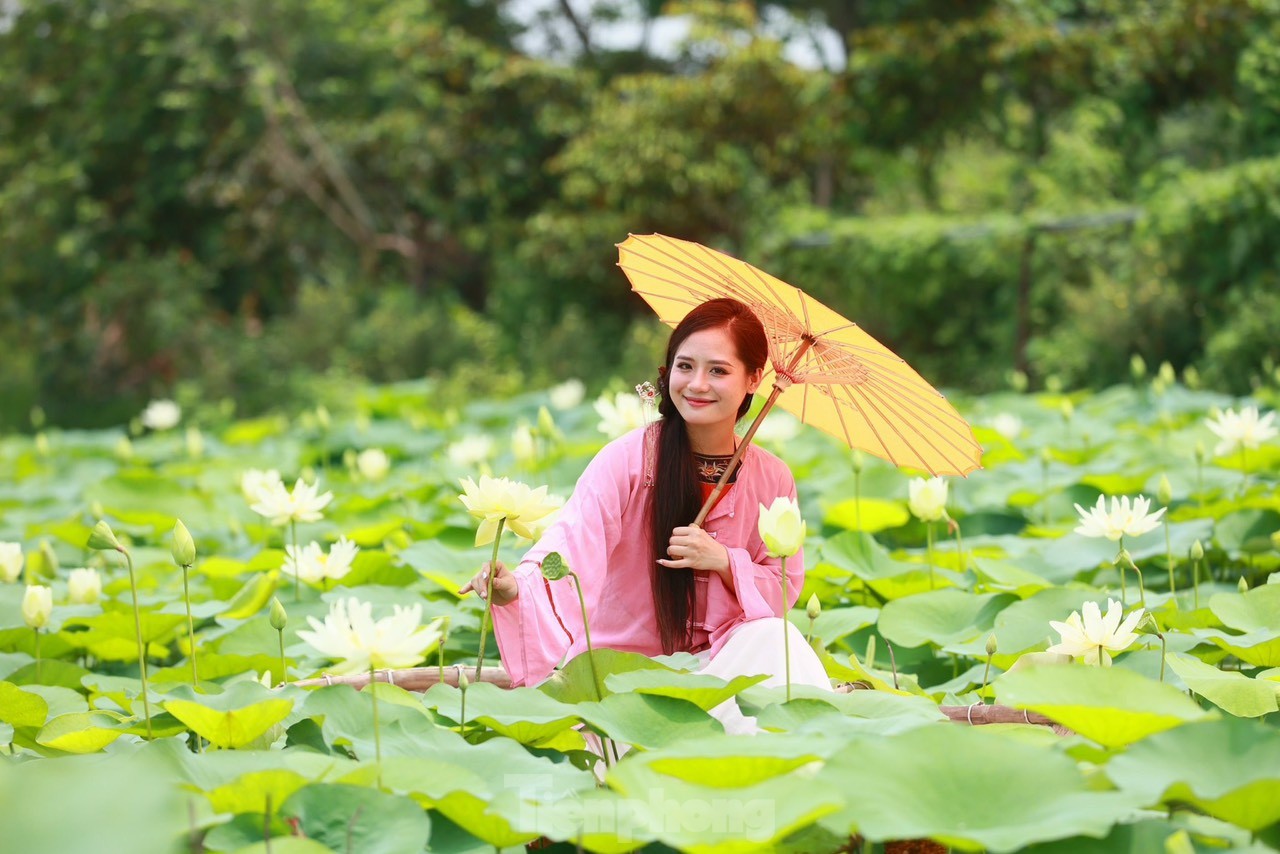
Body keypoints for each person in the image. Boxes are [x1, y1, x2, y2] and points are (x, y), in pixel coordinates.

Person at [459, 297, 831, 732]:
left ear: (752, 379)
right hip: (626, 684)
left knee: (777, 638)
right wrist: (514, 590)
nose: (697, 384)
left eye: (718, 371)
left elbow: (783, 587)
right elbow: (573, 541)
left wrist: (725, 561)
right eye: (685, 366)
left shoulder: (773, 478)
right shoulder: (629, 460)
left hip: (721, 665)